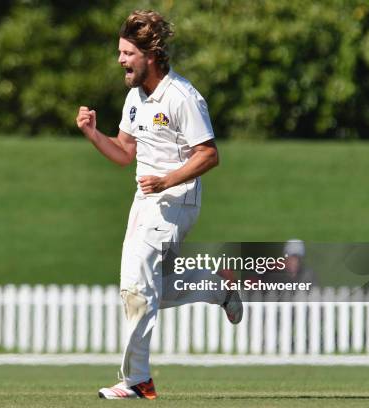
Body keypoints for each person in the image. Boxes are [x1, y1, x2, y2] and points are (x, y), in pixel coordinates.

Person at [76, 10, 242, 400]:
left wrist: (167, 180)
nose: (120, 60)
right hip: (146, 200)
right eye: (120, 52)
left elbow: (209, 155)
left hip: (176, 200)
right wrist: (92, 134)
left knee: (136, 286)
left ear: (149, 55)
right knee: (148, 290)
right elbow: (123, 153)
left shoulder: (183, 97)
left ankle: (137, 379)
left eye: (126, 53)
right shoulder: (135, 97)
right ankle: (217, 288)